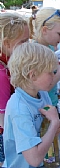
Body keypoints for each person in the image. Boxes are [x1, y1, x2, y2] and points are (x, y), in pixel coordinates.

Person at [3, 42, 60, 168]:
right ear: (33, 75)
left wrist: (54, 127)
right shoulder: (19, 108)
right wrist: (54, 124)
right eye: (50, 72)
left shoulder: (42, 93)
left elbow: (47, 126)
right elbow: (34, 159)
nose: (54, 76)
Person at [0, 13, 29, 166]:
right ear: (7, 43)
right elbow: (3, 119)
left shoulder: (11, 63)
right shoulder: (2, 74)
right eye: (23, 42)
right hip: (8, 135)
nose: (28, 46)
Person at [33, 7, 60, 107]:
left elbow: (54, 69)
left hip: (52, 102)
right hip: (44, 109)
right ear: (45, 30)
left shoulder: (50, 48)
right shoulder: (36, 54)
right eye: (59, 33)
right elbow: (44, 87)